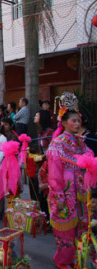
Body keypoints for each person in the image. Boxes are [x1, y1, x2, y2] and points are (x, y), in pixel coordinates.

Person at [47, 92, 93, 268]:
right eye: (73, 120)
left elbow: (89, 159)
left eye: (78, 120)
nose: (77, 123)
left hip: (81, 193)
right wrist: (58, 197)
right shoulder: (57, 144)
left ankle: (78, 261)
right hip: (65, 194)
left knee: (82, 229)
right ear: (64, 122)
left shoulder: (80, 142)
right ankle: (63, 261)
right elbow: (54, 174)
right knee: (65, 233)